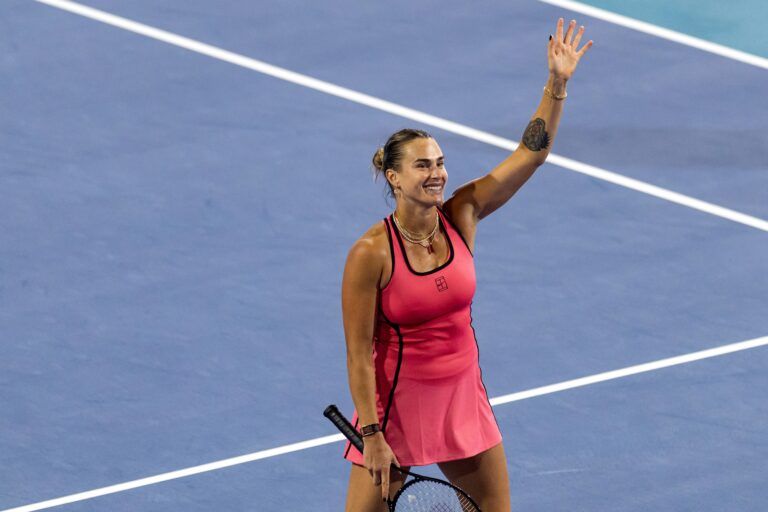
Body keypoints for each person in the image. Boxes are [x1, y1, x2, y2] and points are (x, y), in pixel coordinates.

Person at [340, 18, 593, 512]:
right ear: (393, 176)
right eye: (422, 165)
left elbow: (530, 154)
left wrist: (557, 84)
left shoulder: (463, 214)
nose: (436, 174)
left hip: (462, 396)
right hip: (395, 408)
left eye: (439, 162)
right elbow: (357, 353)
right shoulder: (370, 253)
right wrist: (370, 433)